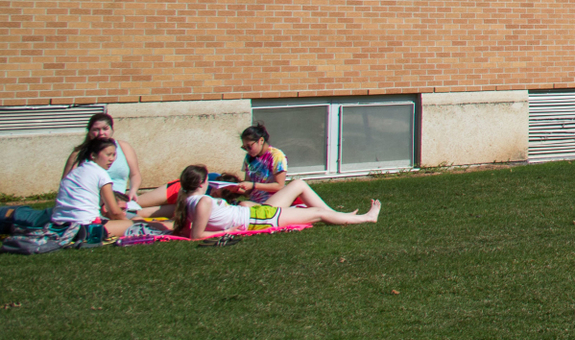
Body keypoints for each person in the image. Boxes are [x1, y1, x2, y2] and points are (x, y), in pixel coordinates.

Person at [172, 165, 379, 239]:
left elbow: (189, 231)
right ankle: (367, 218)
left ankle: (340, 216)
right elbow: (197, 235)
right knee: (317, 213)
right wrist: (229, 232)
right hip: (257, 219)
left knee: (298, 184)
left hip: (256, 213)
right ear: (201, 182)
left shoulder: (189, 201)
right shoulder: (203, 202)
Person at [62, 112, 143, 216]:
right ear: (89, 132)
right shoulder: (79, 154)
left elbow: (135, 174)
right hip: (93, 204)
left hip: (120, 201)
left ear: (112, 130)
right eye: (96, 130)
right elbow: (66, 184)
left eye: (105, 129)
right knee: (132, 222)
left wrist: (133, 190)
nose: (101, 133)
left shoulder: (124, 147)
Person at [52, 137, 135, 237]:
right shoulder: (100, 173)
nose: (112, 159)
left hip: (57, 227)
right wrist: (125, 221)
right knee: (132, 225)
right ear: (93, 155)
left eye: (114, 155)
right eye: (108, 154)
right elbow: (114, 212)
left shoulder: (74, 172)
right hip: (84, 228)